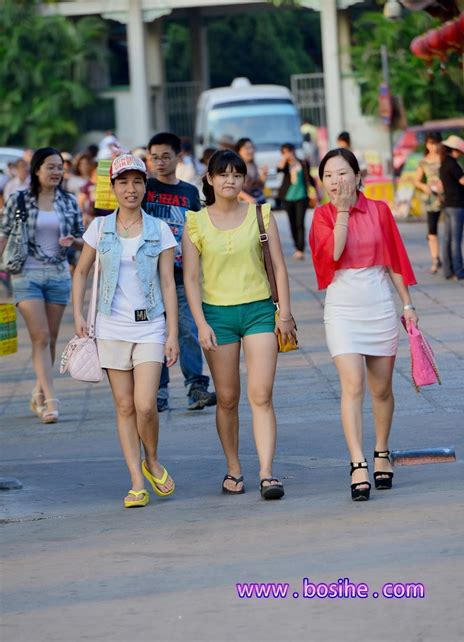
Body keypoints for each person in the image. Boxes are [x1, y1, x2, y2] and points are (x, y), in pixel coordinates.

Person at [183, 149, 297, 499]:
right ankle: (233, 468)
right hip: (218, 316)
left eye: (236, 174)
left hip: (261, 311)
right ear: (210, 179)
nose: (230, 180)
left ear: (243, 179)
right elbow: (189, 279)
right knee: (228, 399)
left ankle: (267, 473)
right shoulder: (195, 222)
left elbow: (278, 266)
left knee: (261, 395)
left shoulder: (261, 215)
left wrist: (285, 313)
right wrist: (200, 323)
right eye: (223, 174)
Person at [309, 148, 418, 502]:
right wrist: (342, 211)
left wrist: (408, 305)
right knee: (352, 384)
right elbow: (334, 253)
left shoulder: (379, 210)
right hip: (342, 307)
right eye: (328, 176)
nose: (335, 181)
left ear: (358, 176)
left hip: (379, 303)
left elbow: (395, 261)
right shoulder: (322, 216)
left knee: (381, 389)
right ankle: (357, 462)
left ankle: (382, 451)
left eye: (342, 173)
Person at [72, 154, 179, 508]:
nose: (130, 189)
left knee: (146, 405)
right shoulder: (99, 229)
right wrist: (78, 314)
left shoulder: (158, 229)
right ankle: (136, 481)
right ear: (113, 187)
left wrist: (173, 334)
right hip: (110, 327)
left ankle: (152, 459)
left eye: (137, 182)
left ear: (145, 186)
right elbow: (81, 271)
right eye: (123, 183)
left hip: (150, 326)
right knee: (123, 405)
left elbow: (168, 283)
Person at [0, 147, 84, 424]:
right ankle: (51, 400)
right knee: (40, 336)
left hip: (59, 275)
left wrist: (73, 241)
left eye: (60, 167)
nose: (57, 172)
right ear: (36, 169)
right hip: (27, 275)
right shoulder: (19, 200)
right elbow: (3, 234)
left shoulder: (69, 202)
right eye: (50, 166)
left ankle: (37, 391)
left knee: (50, 339)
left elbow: (84, 240)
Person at [144, 132, 217, 412]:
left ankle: (196, 388)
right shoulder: (144, 188)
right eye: (154, 157)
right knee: (156, 334)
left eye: (165, 156)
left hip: (182, 277)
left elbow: (200, 231)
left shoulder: (188, 193)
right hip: (149, 278)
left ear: (178, 157)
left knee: (187, 330)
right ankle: (158, 393)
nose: (160, 162)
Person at [439, 135, 464, 281]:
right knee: (455, 240)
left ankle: (448, 271)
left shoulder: (444, 163)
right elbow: (463, 180)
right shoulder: (453, 164)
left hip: (447, 205)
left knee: (447, 239)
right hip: (456, 205)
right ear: (456, 150)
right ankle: (459, 271)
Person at [277, 143, 315, 261]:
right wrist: (285, 158)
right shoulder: (285, 165)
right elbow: (279, 169)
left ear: (293, 151)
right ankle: (296, 246)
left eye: (288, 151)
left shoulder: (302, 163)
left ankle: (300, 249)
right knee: (292, 223)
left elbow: (309, 177)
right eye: (284, 152)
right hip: (288, 198)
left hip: (301, 197)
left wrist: (316, 192)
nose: (287, 154)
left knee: (300, 223)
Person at [414, 133, 443, 274]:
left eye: (436, 143)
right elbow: (416, 180)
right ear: (426, 144)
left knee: (451, 230)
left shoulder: (446, 158)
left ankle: (450, 259)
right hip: (431, 199)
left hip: (448, 196)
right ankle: (435, 259)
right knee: (432, 230)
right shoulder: (424, 162)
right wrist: (424, 186)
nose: (433, 146)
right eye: (430, 143)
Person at [235, 138, 268, 205]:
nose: (251, 150)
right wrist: (249, 198)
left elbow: (260, 186)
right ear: (239, 151)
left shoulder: (253, 164)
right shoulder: (236, 166)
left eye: (252, 147)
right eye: (247, 148)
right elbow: (234, 188)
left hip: (259, 200)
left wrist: (263, 176)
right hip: (245, 204)